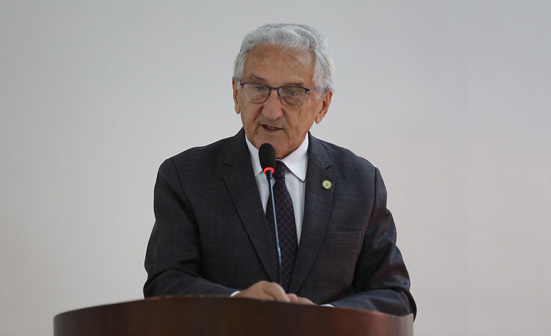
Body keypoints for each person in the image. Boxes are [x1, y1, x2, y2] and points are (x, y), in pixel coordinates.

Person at [144, 23, 416, 316]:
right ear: (237, 94)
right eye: (258, 88)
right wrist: (235, 303)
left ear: (322, 104)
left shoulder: (361, 181)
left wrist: (326, 319)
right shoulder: (187, 175)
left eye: (292, 92)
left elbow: (395, 297)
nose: (271, 110)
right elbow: (165, 284)